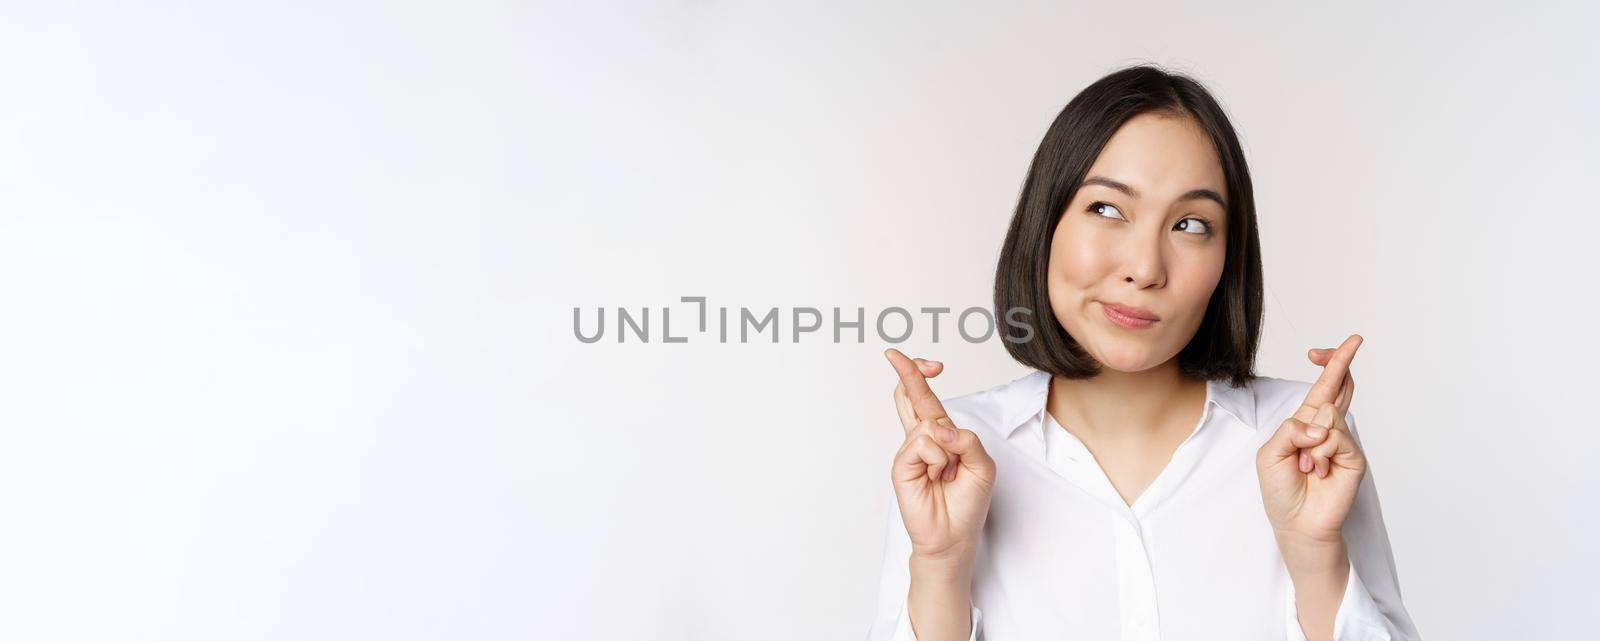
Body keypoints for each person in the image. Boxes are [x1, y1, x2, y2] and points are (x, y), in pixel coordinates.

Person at [865, 65, 1419, 641]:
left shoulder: (1301, 442)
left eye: (1190, 224)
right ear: (1045, 220)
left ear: (1229, 258)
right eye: (1107, 209)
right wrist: (940, 567)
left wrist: (1314, 554)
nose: (1145, 268)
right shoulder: (956, 451)